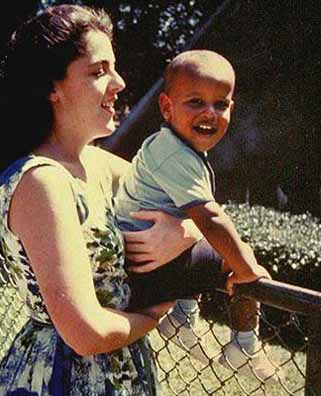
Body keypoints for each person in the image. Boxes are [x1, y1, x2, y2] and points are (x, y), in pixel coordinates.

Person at [0, 5, 204, 395]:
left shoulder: (98, 164)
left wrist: (185, 229)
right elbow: (85, 333)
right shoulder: (42, 181)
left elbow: (199, 203)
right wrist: (155, 313)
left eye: (114, 67)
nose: (120, 82)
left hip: (122, 371)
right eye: (98, 71)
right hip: (61, 378)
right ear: (52, 88)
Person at [114, 50, 278, 381]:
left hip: (143, 262)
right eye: (195, 102)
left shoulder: (171, 146)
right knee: (236, 252)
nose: (210, 113)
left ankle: (183, 316)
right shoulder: (176, 154)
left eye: (221, 104)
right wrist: (247, 269)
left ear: (231, 109)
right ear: (166, 107)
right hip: (147, 267)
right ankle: (243, 348)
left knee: (202, 241)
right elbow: (211, 219)